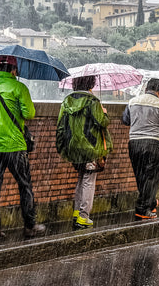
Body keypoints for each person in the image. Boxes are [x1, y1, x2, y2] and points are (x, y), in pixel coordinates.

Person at [0, 55, 46, 241]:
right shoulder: (19, 87)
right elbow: (29, 114)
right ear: (14, 71)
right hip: (15, 147)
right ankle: (30, 226)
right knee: (25, 186)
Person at [56, 75, 112, 228]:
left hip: (74, 147)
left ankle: (77, 212)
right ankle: (83, 217)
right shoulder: (92, 101)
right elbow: (103, 122)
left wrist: (62, 146)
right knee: (88, 181)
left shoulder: (67, 101)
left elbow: (61, 126)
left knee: (81, 178)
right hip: (90, 147)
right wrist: (104, 112)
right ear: (91, 83)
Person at [122, 78, 159, 220]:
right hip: (154, 143)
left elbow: (126, 120)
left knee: (141, 176)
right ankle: (143, 208)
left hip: (134, 143)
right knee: (152, 177)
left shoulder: (132, 102)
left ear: (146, 89)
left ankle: (150, 203)